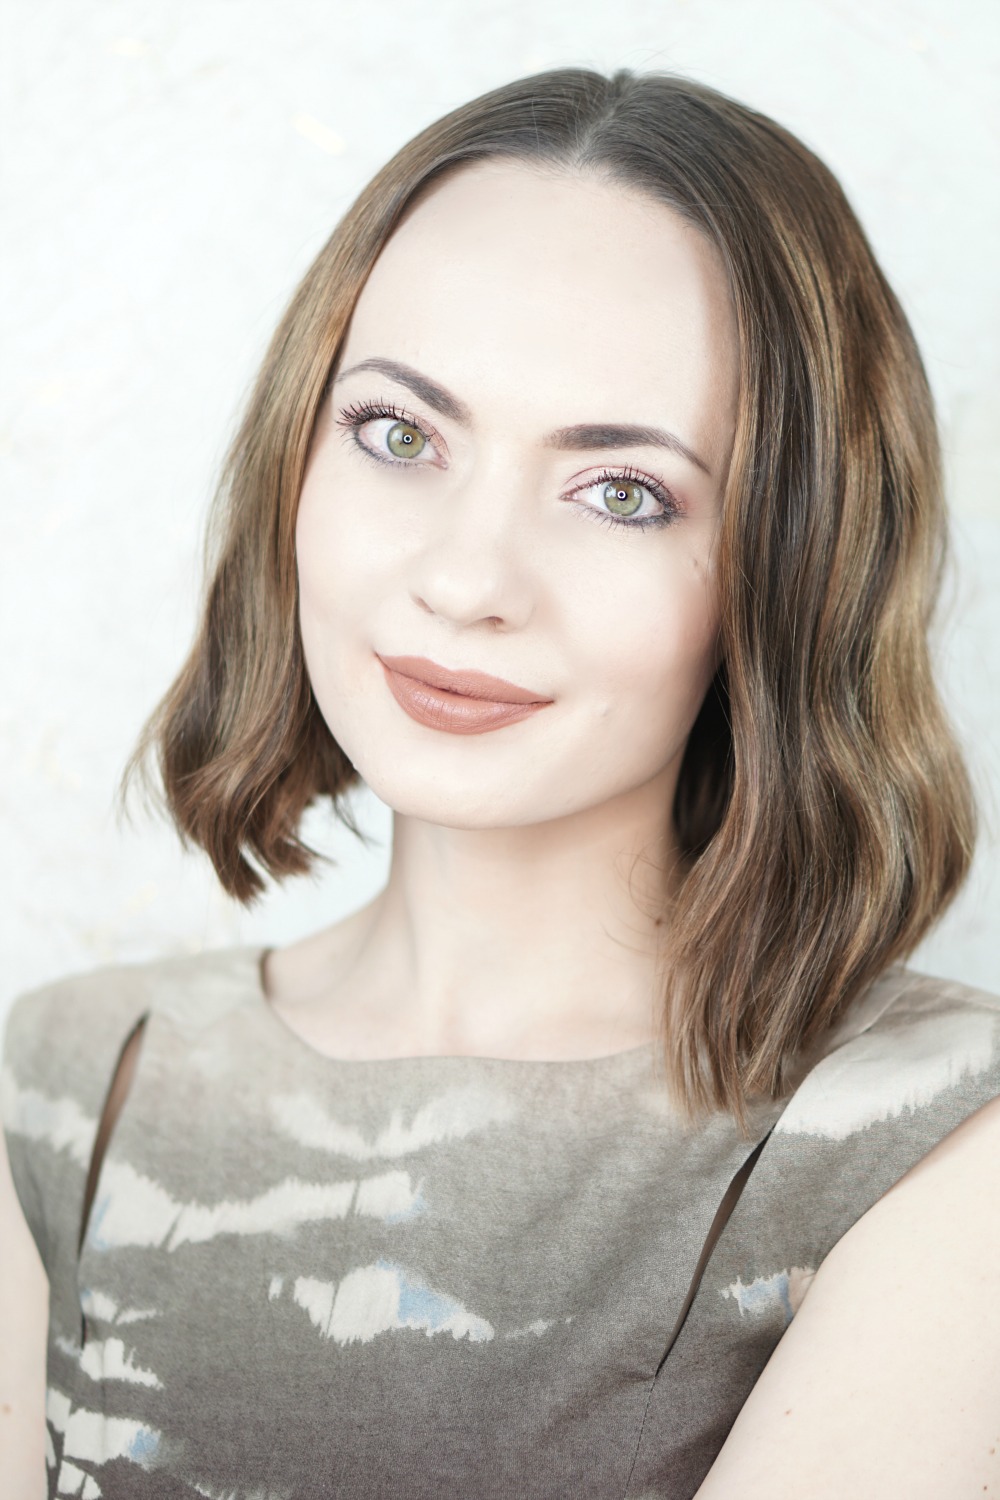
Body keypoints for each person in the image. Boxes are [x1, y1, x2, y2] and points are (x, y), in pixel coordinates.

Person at [2, 65, 998, 1500]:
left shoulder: (935, 1133)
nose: (467, 578)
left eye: (623, 491)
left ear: (793, 568)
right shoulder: (67, 1087)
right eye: (399, 434)